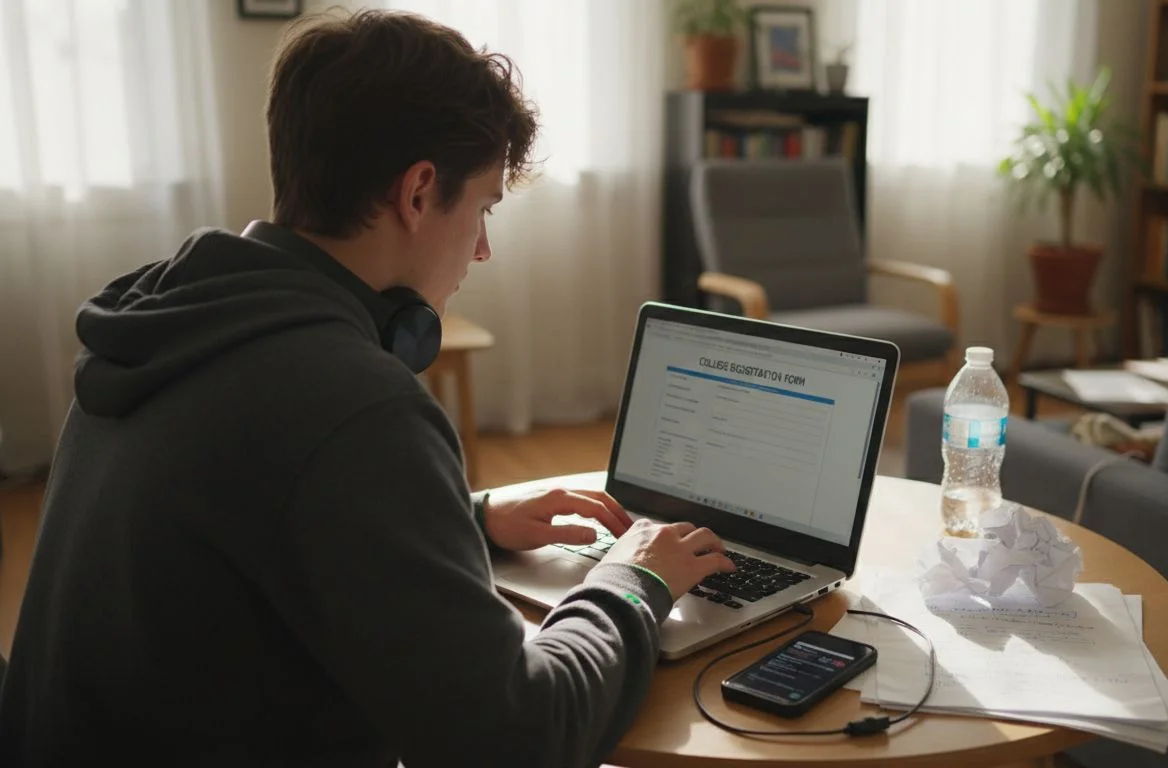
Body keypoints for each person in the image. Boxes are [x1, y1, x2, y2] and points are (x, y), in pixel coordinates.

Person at [0, 10, 735, 767]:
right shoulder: (353, 406)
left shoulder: (170, 320)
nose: (482, 249)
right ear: (418, 193)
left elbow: (257, 522)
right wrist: (633, 582)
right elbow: (517, 739)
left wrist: (465, 522)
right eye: (483, 208)